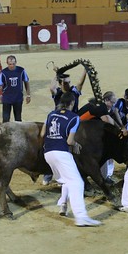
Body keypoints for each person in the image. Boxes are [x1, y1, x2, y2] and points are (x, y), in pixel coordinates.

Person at [40, 92, 102, 226]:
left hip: (48, 153)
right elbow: (69, 141)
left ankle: (63, 204)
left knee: (67, 180)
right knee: (77, 182)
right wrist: (76, 144)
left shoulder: (51, 114)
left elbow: (42, 133)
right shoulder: (74, 118)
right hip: (61, 153)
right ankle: (81, 217)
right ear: (72, 103)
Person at [78, 91, 121, 184]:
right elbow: (108, 120)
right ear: (106, 100)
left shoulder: (99, 105)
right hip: (78, 133)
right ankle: (105, 176)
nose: (113, 105)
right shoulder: (101, 107)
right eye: (112, 103)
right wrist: (120, 130)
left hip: (81, 131)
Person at [0, 55, 31, 122]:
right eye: (10, 64)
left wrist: (28, 95)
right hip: (7, 99)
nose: (12, 66)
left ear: (16, 62)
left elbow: (26, 82)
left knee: (18, 118)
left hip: (18, 98)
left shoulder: (21, 71)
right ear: (7, 63)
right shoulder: (3, 73)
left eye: (13, 64)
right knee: (6, 119)